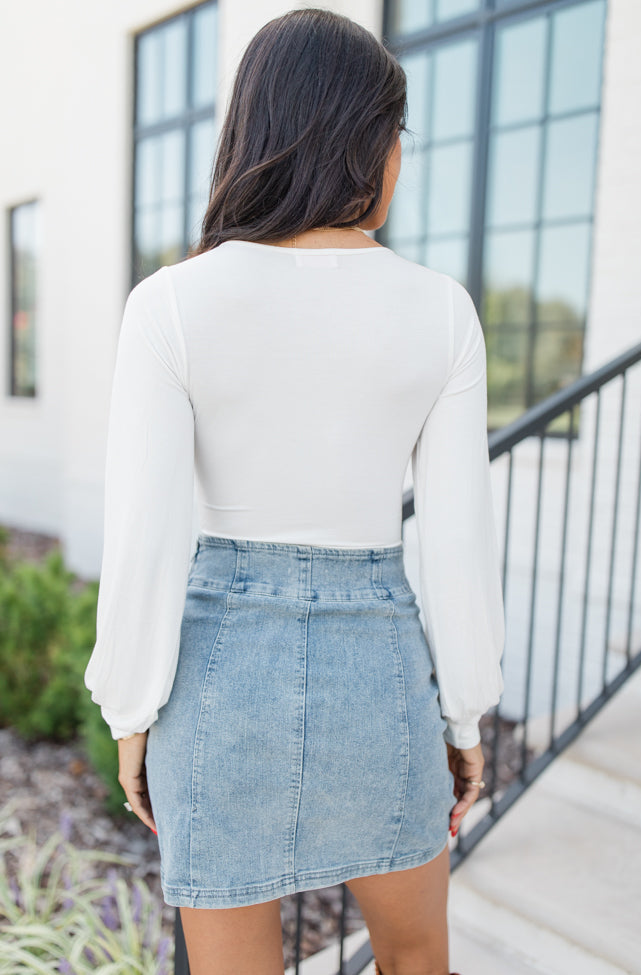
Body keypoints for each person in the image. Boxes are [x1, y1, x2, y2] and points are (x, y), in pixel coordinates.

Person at [84, 8, 505, 975]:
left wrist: (132, 717)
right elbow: (455, 543)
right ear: (364, 143)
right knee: (415, 961)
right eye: (398, 135)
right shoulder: (441, 311)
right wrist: (466, 715)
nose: (401, 158)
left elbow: (142, 536)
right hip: (383, 678)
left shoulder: (170, 305)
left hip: (219, 683)